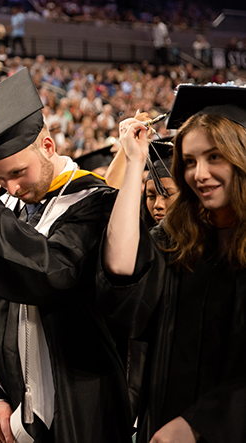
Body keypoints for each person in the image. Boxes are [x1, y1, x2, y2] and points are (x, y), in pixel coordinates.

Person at [0, 69, 132, 442]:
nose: (11, 188)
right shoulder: (6, 208)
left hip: (75, 404)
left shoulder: (95, 202)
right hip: (5, 410)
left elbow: (52, 273)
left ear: (47, 146)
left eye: (18, 173)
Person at [100, 84, 246, 443]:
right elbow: (121, 269)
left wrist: (199, 424)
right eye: (191, 161)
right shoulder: (180, 236)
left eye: (215, 157)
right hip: (165, 420)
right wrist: (134, 161)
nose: (199, 174)